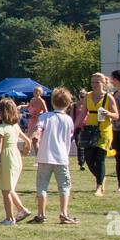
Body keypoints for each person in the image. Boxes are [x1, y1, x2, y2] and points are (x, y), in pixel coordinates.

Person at [32, 87, 77, 225]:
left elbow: (38, 132)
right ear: (68, 104)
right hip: (61, 157)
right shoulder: (68, 120)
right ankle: (63, 213)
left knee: (42, 186)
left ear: (52, 102)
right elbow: (70, 136)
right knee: (64, 186)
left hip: (44, 156)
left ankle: (41, 214)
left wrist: (37, 146)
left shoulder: (44, 117)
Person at [77, 73, 117, 197]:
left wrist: (108, 113)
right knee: (88, 158)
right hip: (90, 130)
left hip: (104, 130)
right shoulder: (88, 96)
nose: (94, 85)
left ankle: (99, 186)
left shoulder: (109, 97)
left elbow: (116, 115)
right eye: (92, 82)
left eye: (97, 82)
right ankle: (101, 177)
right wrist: (74, 126)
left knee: (100, 158)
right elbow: (83, 113)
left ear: (103, 83)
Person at [0, 98, 31, 225]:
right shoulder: (15, 126)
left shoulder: (1, 129)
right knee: (9, 188)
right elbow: (28, 141)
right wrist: (26, 151)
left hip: (6, 158)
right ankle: (21, 209)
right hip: (15, 156)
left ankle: (10, 218)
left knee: (5, 191)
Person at [25, 87, 48, 152]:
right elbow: (28, 106)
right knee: (33, 141)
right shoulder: (32, 99)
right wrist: (21, 106)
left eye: (36, 91)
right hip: (31, 122)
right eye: (34, 91)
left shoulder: (41, 101)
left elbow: (46, 111)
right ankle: (30, 153)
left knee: (34, 140)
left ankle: (27, 151)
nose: (34, 92)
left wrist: (37, 115)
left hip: (38, 122)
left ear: (40, 93)